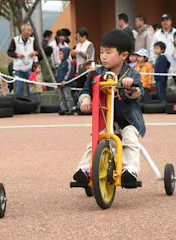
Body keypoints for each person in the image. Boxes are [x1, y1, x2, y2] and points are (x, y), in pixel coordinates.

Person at [73, 29, 145, 184]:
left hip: (128, 121)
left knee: (130, 140)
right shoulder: (97, 72)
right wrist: (85, 100)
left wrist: (131, 87)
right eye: (101, 52)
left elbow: (140, 92)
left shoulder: (132, 74)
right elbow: (86, 89)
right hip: (106, 121)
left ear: (124, 55)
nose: (103, 56)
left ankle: (129, 171)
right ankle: (84, 170)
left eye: (108, 52)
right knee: (95, 142)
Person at [7, 23, 41, 96]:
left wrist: (35, 53)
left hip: (29, 67)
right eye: (28, 30)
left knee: (30, 88)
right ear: (22, 31)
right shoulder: (15, 40)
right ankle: (19, 103)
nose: (30, 32)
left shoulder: (32, 40)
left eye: (30, 30)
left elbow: (39, 51)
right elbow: (9, 52)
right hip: (18, 67)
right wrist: (16, 55)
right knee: (19, 88)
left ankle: (31, 103)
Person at [57, 47, 75, 115]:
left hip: (66, 83)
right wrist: (58, 84)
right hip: (60, 84)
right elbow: (59, 74)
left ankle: (71, 108)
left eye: (61, 54)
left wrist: (65, 80)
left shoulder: (68, 62)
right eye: (59, 54)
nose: (60, 55)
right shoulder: (61, 63)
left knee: (68, 96)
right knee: (62, 97)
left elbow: (69, 71)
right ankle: (63, 109)